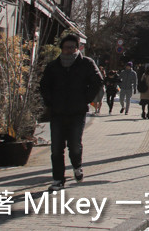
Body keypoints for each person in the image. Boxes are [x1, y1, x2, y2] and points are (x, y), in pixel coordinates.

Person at [38, 34, 103, 190]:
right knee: (56, 148)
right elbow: (44, 85)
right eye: (66, 47)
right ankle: (58, 179)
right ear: (62, 48)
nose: (69, 50)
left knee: (74, 145)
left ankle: (77, 166)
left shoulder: (86, 64)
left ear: (77, 48)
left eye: (72, 47)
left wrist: (85, 99)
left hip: (77, 111)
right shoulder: (53, 66)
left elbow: (98, 81)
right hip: (58, 111)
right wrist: (50, 101)